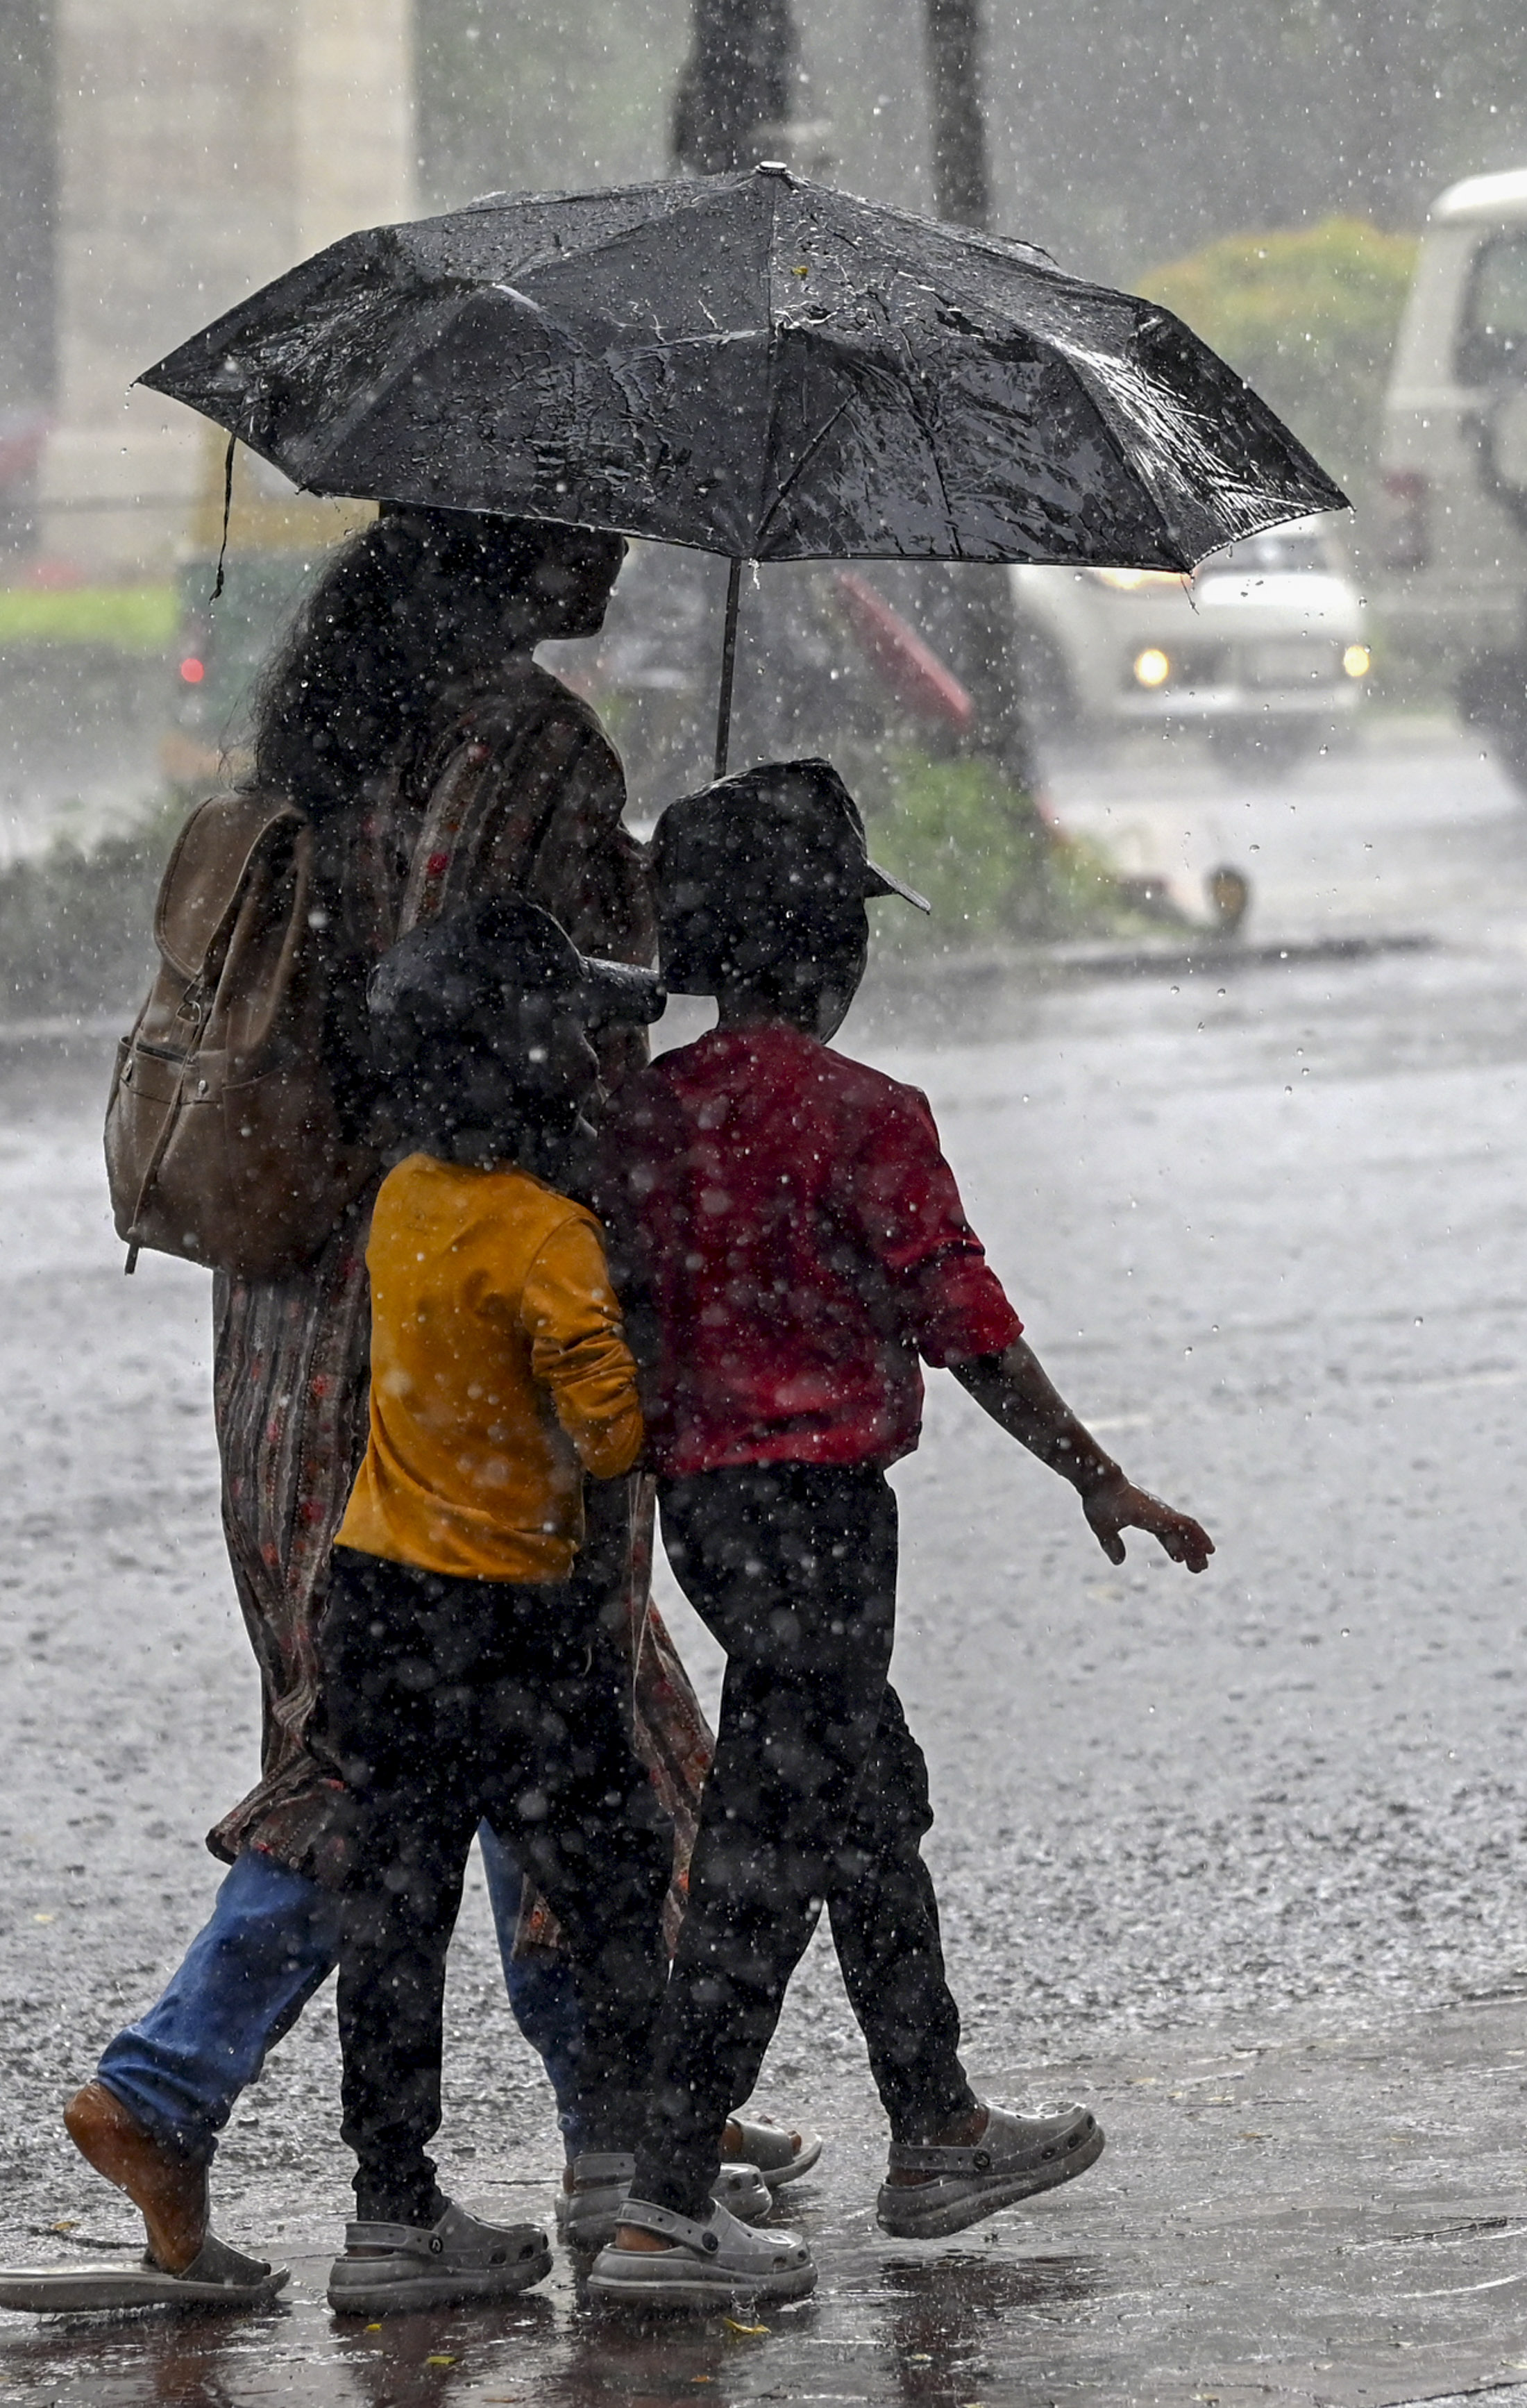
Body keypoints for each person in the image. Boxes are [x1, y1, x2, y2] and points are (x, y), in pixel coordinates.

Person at [10, 510, 804, 2316]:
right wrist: (672, 928)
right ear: (505, 540)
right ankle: (226, 2096)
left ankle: (650, 2117)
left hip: (292, 1311)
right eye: (580, 513)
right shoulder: (529, 744)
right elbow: (554, 1035)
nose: (617, 541)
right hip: (453, 1319)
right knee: (490, 1728)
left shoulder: (330, 732)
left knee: (470, 1725)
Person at [589, 760, 1216, 2310]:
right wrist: (1094, 1471)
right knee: (770, 1837)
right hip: (825, 1517)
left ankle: (934, 2126)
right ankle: (667, 2199)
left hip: (706, 1517)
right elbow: (964, 1319)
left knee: (865, 1790)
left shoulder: (637, 1119)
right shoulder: (870, 1116)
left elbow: (621, 1311)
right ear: (831, 951)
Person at [317, 893, 675, 2309]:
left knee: (398, 1915)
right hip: (510, 1622)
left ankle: (391, 2215)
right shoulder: (547, 1238)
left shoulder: (405, 1197)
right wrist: (634, 1317)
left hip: (375, 1604)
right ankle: (624, 2175)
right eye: (579, 1035)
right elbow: (612, 1441)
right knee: (609, 1878)